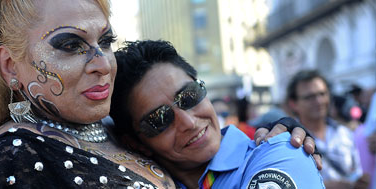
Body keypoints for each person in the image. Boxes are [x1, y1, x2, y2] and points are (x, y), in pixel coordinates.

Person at [0, 0, 317, 188]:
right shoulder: (15, 155)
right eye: (69, 45)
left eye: (105, 41)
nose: (101, 63)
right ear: (10, 66)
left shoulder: (110, 132)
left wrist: (280, 136)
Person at [110, 40, 324, 188]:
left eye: (189, 96)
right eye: (159, 119)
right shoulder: (147, 184)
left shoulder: (279, 152)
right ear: (134, 143)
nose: (188, 121)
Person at [286, 69, 365, 188]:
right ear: (293, 104)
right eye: (309, 97)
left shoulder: (344, 133)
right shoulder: (288, 140)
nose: (319, 101)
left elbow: (356, 172)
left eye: (322, 94)